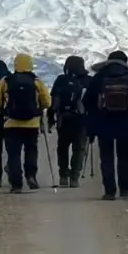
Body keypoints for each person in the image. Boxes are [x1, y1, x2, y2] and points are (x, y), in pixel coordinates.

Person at [83, 50, 128, 200]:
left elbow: (87, 103)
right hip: (126, 124)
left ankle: (109, 191)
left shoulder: (98, 78)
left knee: (106, 157)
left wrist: (90, 128)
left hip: (103, 124)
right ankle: (124, 189)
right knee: (124, 156)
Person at [0, 53, 51, 194]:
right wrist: (39, 109)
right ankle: (31, 175)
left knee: (13, 154)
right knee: (31, 151)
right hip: (32, 124)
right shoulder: (36, 81)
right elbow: (47, 101)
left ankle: (16, 184)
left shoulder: (6, 81)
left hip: (11, 124)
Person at [48, 55, 91, 188]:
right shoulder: (89, 81)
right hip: (82, 120)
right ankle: (74, 177)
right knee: (79, 148)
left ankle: (63, 176)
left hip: (64, 119)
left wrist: (51, 118)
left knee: (63, 147)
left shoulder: (61, 80)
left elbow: (54, 101)